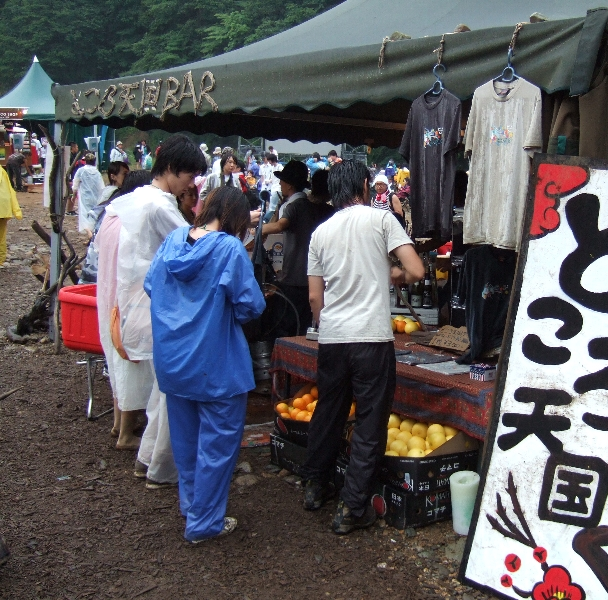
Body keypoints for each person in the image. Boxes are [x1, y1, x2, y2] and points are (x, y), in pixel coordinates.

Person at [301, 160, 424, 533]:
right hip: (371, 337)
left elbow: (313, 297)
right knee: (371, 421)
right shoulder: (382, 220)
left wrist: (328, 323)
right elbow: (417, 271)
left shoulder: (321, 232)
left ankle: (314, 485)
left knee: (329, 410)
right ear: (365, 185)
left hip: (334, 338)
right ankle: (352, 507)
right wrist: (396, 273)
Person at [145, 186, 265, 543]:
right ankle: (204, 523)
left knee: (186, 441)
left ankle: (192, 505)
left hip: (173, 360)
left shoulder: (172, 240)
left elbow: (152, 286)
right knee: (217, 446)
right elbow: (251, 305)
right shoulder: (229, 248)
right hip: (217, 364)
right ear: (237, 218)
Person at [105, 134, 207, 488]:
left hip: (138, 304)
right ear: (171, 169)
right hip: (156, 308)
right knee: (171, 390)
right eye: (189, 176)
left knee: (162, 390)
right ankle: (160, 467)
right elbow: (194, 245)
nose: (190, 184)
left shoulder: (140, 197)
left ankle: (149, 457)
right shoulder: (160, 206)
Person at [93, 170, 154, 449]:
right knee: (131, 366)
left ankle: (119, 424)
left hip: (108, 300)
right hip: (128, 302)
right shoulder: (130, 221)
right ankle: (126, 434)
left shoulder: (110, 215)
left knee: (117, 363)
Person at [261, 161, 333, 334]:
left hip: (293, 278)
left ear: (290, 184)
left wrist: (252, 229)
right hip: (314, 278)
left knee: (287, 329)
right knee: (305, 329)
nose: (280, 184)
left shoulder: (296, 206)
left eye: (282, 180)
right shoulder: (321, 209)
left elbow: (278, 226)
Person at [72, 153, 105, 233]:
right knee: (94, 215)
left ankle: (89, 233)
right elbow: (102, 187)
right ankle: (93, 232)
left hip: (84, 197)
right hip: (96, 197)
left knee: (85, 215)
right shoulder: (97, 172)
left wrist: (73, 195)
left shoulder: (81, 171)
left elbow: (75, 184)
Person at [0, 163, 22, 265]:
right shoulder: (2, 171)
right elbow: (10, 190)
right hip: (4, 206)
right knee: (1, 234)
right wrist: (16, 210)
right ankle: (0, 259)